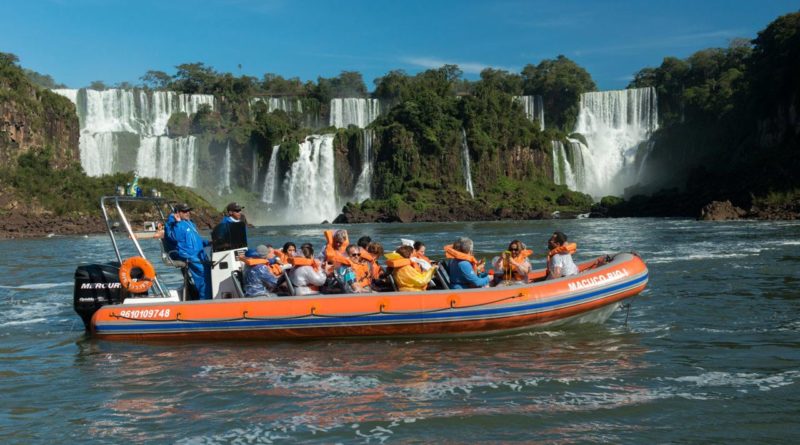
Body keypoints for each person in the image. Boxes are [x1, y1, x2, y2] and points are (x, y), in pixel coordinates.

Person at [166, 203, 212, 299]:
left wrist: (209, 242)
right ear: (178, 213)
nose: (188, 213)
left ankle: (209, 297)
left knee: (211, 272)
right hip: (189, 256)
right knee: (203, 276)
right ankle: (205, 301)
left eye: (188, 210)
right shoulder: (172, 224)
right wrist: (177, 222)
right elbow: (175, 237)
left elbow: (196, 240)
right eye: (184, 211)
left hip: (200, 254)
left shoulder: (189, 223)